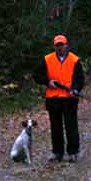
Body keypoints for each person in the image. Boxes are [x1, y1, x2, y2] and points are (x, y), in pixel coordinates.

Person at [33, 34, 84, 162]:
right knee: (56, 127)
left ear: (66, 45)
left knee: (71, 126)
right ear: (54, 46)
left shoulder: (74, 60)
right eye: (57, 45)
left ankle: (73, 153)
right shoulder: (47, 59)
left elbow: (80, 79)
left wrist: (76, 90)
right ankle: (57, 153)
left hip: (69, 99)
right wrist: (47, 82)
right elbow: (36, 75)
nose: (59, 47)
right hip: (53, 99)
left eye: (61, 45)